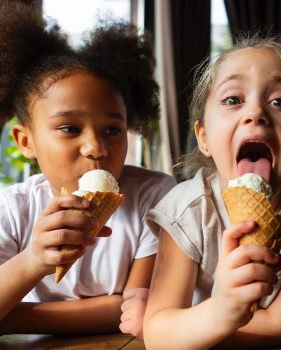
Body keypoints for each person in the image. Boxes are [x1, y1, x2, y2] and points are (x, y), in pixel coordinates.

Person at [143, 33, 281, 349]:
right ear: (204, 137)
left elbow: (278, 326)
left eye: (280, 101)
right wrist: (220, 313)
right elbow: (158, 332)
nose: (256, 113)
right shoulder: (186, 208)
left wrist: (191, 332)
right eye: (232, 100)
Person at [0, 2, 176, 338]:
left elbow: (130, 309)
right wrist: (33, 261)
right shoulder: (12, 209)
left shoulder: (155, 196)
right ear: (25, 141)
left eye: (112, 130)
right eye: (69, 128)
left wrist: (14, 317)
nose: (96, 147)